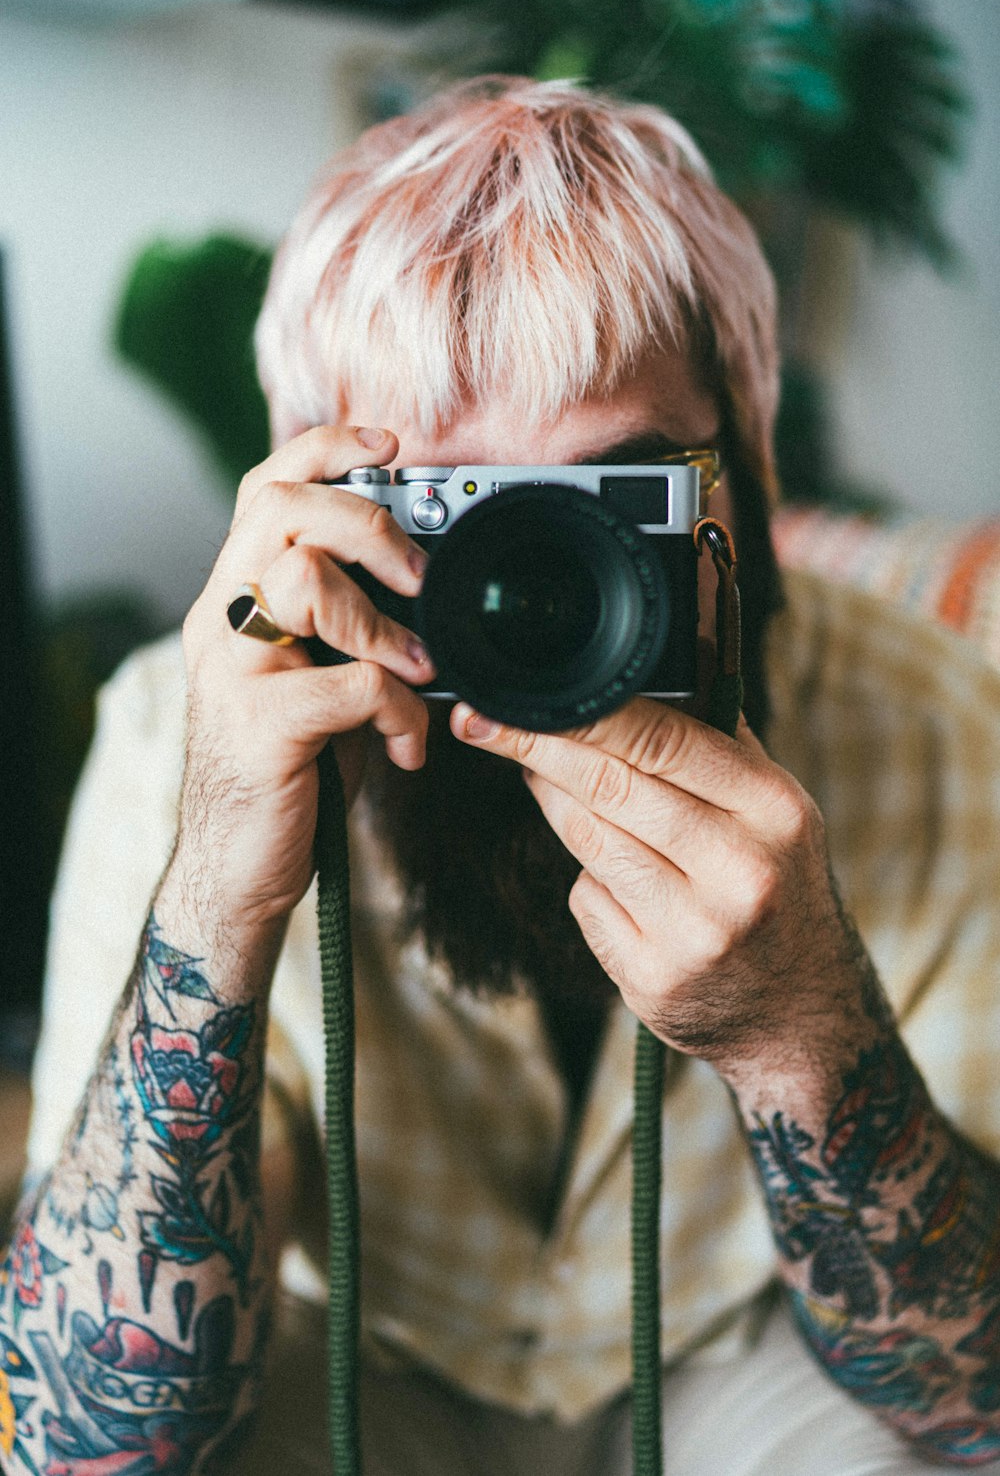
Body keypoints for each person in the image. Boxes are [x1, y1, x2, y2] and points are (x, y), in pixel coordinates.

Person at [3, 76, 1000, 1476]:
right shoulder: (189, 731)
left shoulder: (947, 725)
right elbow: (78, 1439)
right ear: (320, 494)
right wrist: (219, 897)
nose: (534, 594)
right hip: (363, 1354)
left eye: (613, 503)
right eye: (453, 516)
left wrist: (802, 1037)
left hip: (745, 1348)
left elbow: (979, 1401)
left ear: (751, 476)